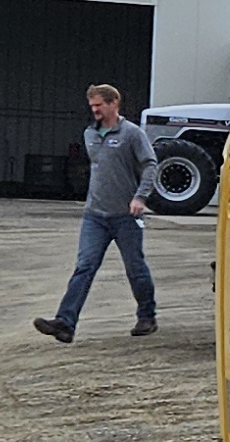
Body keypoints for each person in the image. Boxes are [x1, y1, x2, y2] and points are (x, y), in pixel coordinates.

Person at [37, 82, 160, 341]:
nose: (94, 110)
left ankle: (147, 316)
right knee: (85, 266)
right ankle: (65, 323)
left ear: (114, 103)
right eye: (92, 106)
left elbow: (150, 165)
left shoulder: (131, 134)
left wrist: (140, 197)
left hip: (126, 216)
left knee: (135, 267)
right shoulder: (89, 134)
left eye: (99, 105)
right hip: (95, 215)